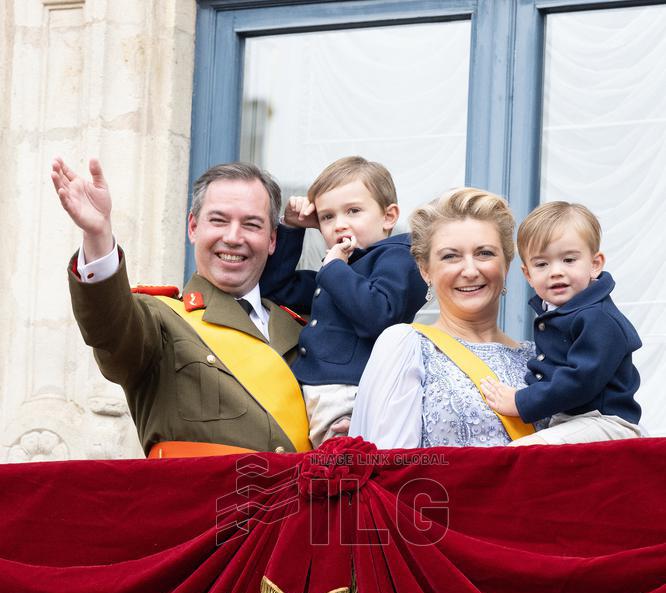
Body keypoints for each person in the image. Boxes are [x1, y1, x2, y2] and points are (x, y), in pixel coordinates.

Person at [51, 157, 311, 457]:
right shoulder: (160, 319)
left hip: (300, 503)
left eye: (251, 225)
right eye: (219, 221)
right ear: (192, 227)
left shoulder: (302, 328)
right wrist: (98, 236)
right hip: (200, 503)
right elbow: (110, 330)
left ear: (272, 240)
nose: (233, 237)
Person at [349, 187, 536, 448]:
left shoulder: (538, 360)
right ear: (425, 270)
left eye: (485, 253)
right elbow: (389, 470)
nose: (470, 270)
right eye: (450, 256)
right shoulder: (404, 346)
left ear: (506, 263)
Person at [260, 156, 427, 447]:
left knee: (341, 475)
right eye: (327, 217)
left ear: (389, 217)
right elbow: (276, 287)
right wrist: (292, 227)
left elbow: (379, 315)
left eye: (353, 211)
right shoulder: (341, 271)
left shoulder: (399, 256)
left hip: (350, 392)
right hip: (309, 393)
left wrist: (334, 268)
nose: (339, 225)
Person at [480, 201, 644, 445]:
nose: (555, 271)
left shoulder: (598, 318)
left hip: (606, 422)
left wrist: (520, 401)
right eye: (542, 264)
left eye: (568, 260)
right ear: (528, 275)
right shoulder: (561, 312)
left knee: (523, 450)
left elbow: (580, 380)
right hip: (574, 420)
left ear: (595, 265)